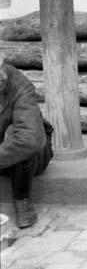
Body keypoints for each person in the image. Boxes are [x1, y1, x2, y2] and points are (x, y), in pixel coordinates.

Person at [0, 56, 53, 228]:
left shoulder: (20, 86)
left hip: (34, 154)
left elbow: (30, 139)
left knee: (17, 135)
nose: (2, 75)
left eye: (1, 67)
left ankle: (22, 203)